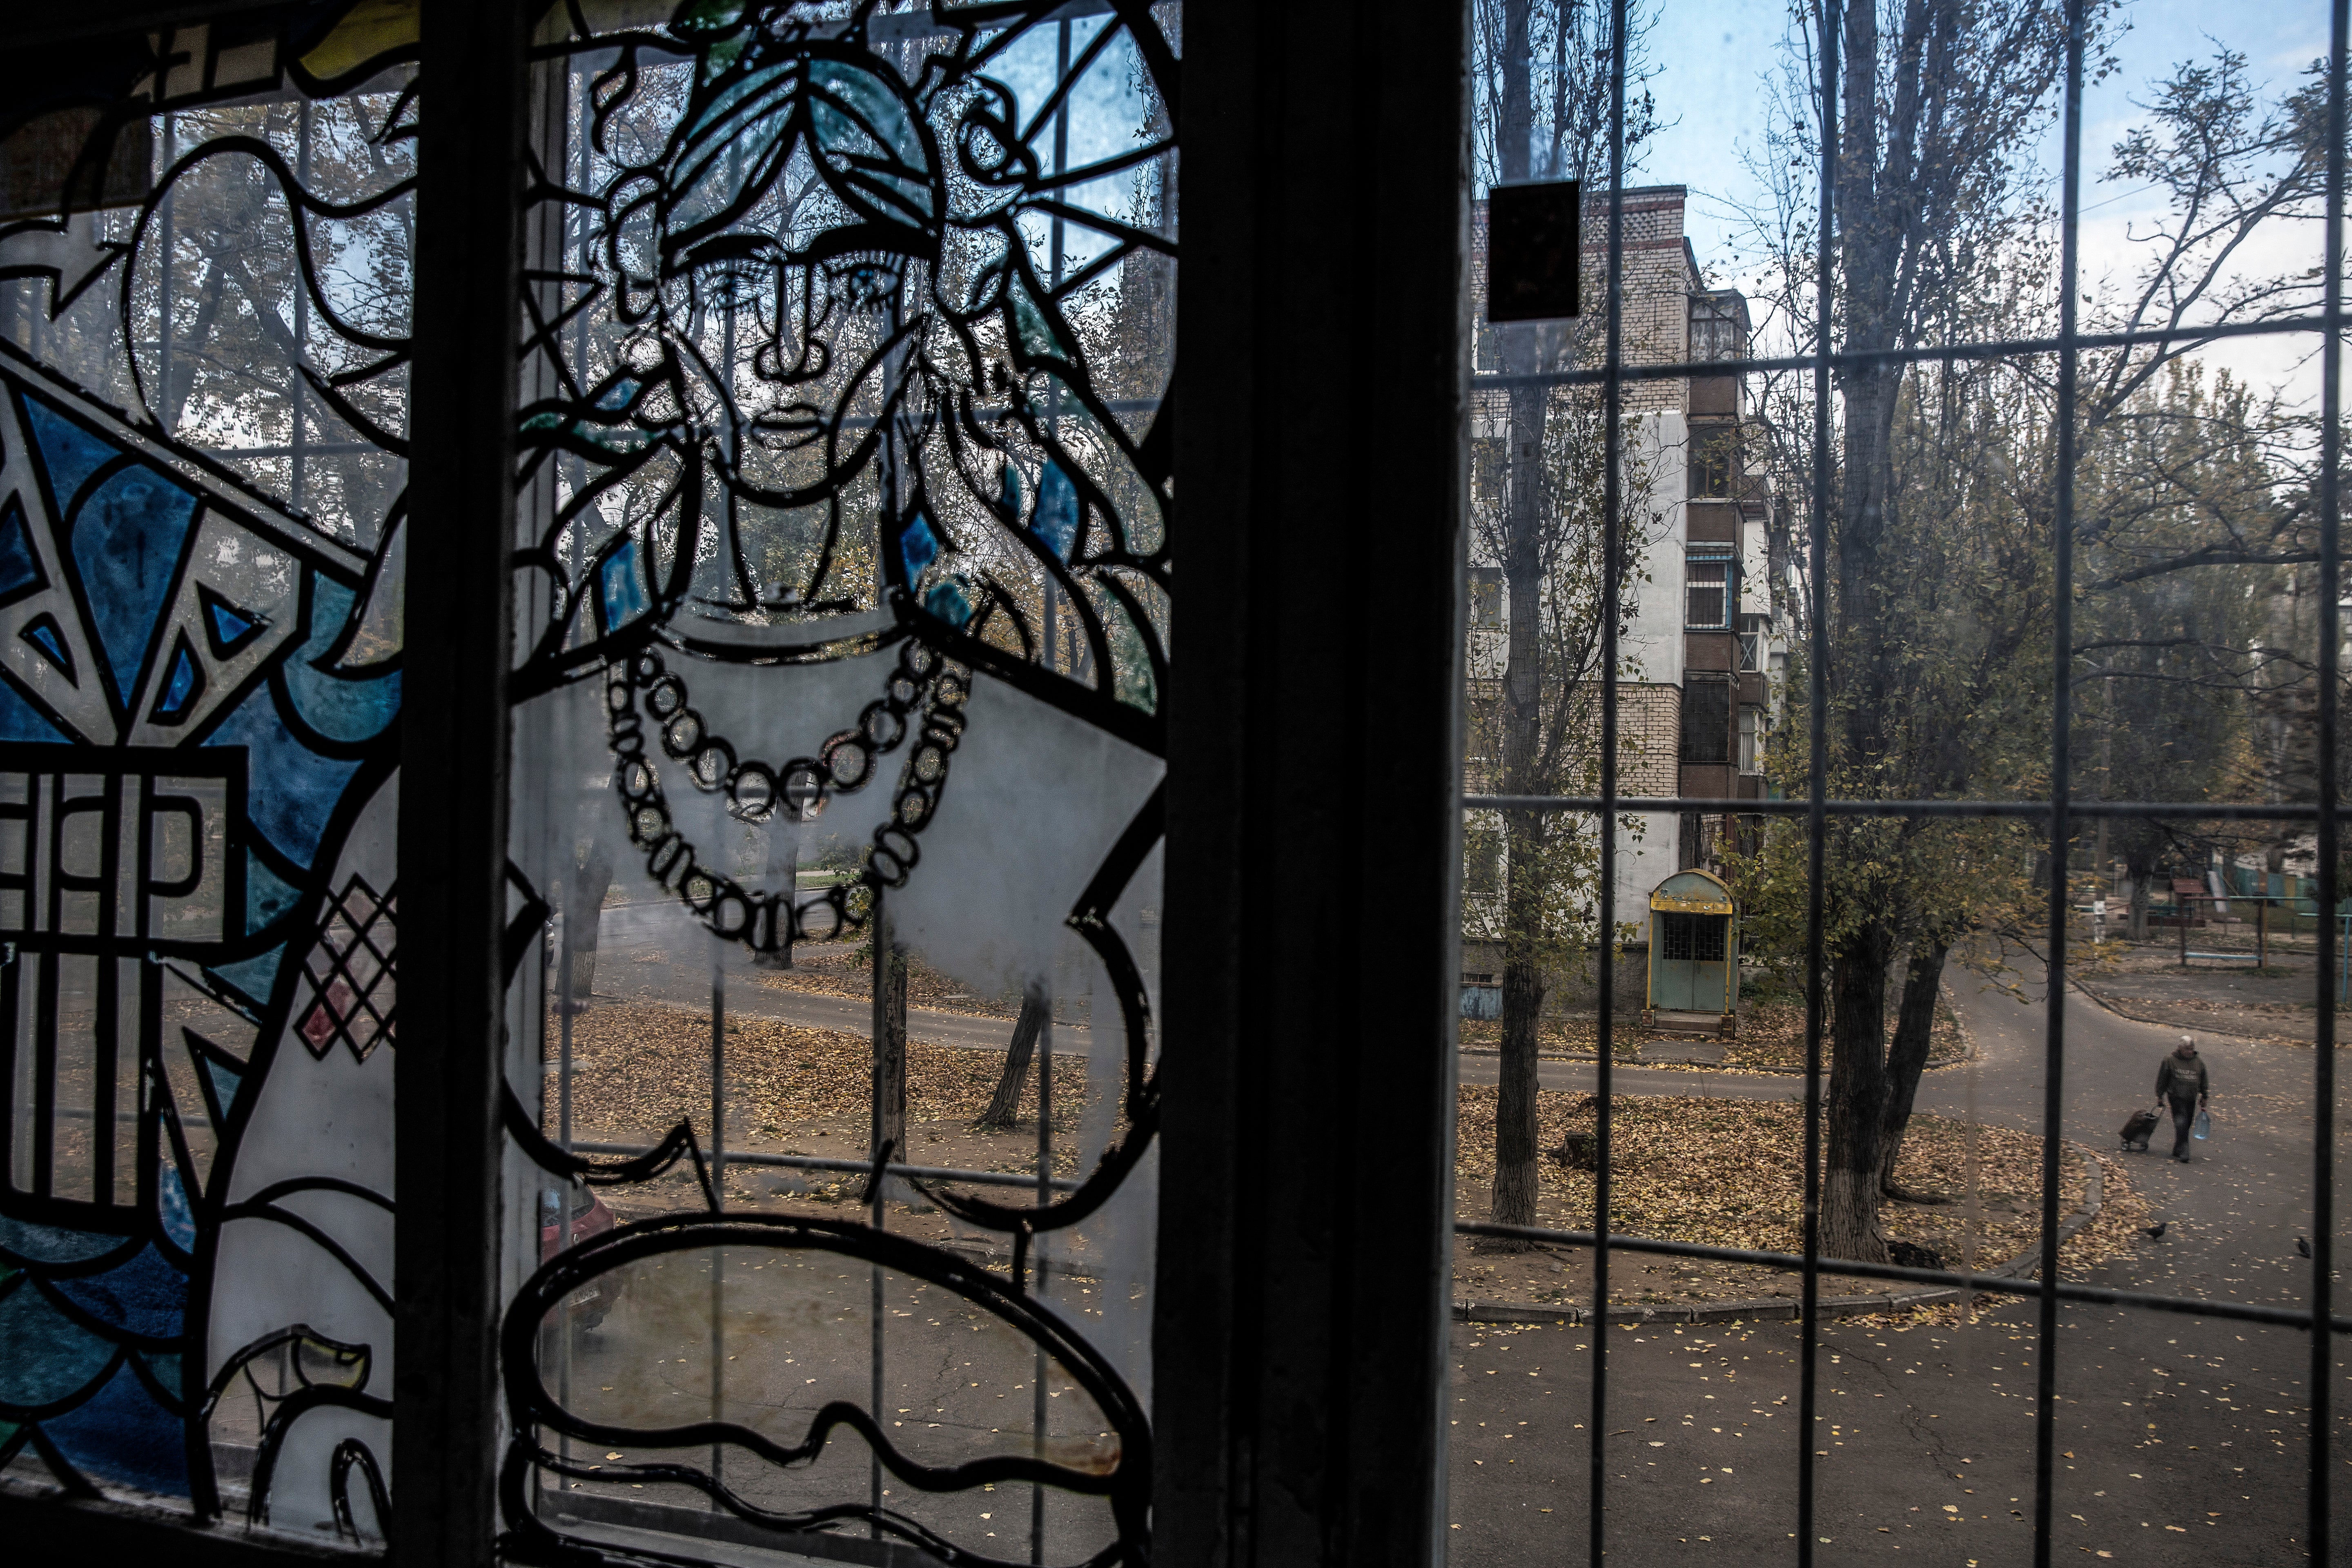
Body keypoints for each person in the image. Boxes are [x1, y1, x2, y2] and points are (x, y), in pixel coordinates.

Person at [2154, 1035, 2211, 1163]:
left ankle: (2178, 1147)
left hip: (2191, 1098)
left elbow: (2204, 1079)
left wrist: (2205, 1095)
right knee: (2181, 1122)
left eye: (2192, 1049)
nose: (2190, 1052)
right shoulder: (2170, 1060)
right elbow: (2162, 1078)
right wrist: (2160, 1095)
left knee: (2187, 1123)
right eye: (2187, 1049)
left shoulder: (2198, 1062)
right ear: (2180, 1048)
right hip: (2176, 1097)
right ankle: (2185, 1150)